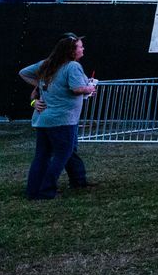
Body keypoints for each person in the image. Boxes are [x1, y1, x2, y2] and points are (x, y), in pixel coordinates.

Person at [18, 33, 98, 199]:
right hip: (62, 119)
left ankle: (33, 190)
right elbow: (76, 88)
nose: (83, 48)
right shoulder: (72, 67)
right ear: (71, 51)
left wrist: (42, 84)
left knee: (42, 155)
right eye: (80, 46)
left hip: (43, 119)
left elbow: (23, 73)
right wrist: (90, 88)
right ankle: (46, 190)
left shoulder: (47, 64)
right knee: (63, 154)